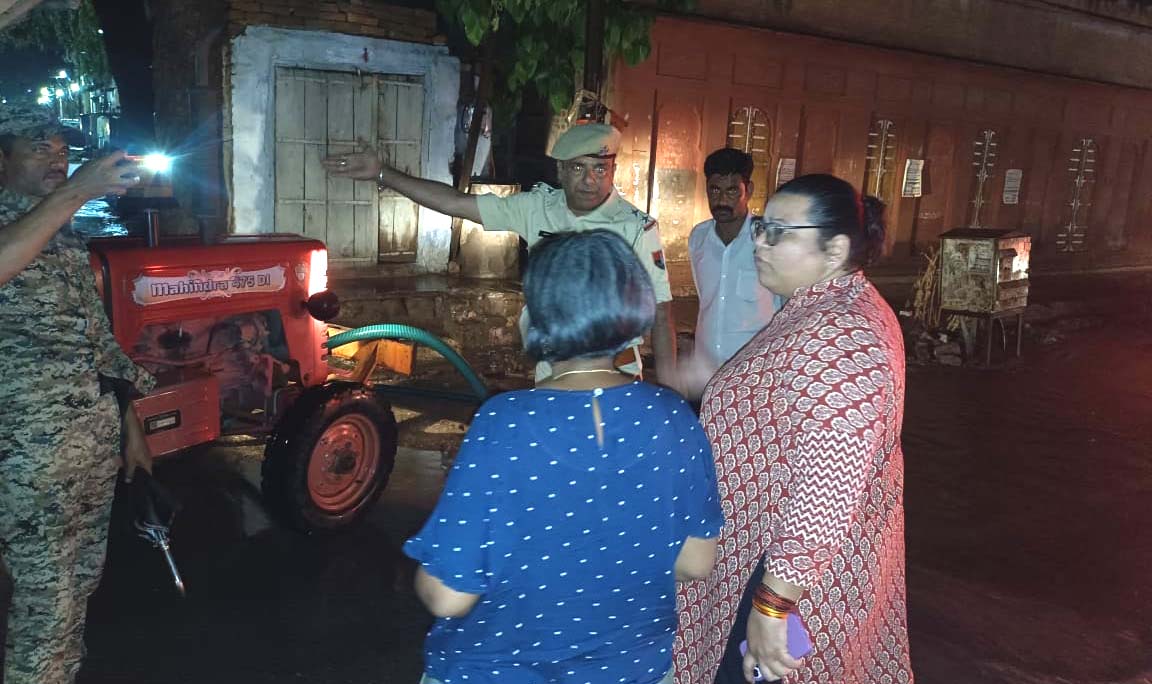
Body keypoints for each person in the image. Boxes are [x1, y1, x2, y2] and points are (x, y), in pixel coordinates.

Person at [404, 229, 725, 684]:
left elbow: (447, 596)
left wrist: (418, 577)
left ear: (537, 314)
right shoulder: (672, 415)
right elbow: (696, 562)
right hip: (633, 671)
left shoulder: (506, 422)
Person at [675, 174, 912, 684]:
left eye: (780, 232)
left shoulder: (844, 335)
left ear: (835, 249)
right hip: (759, 554)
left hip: (784, 579)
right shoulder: (823, 307)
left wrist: (772, 603)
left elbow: (830, 484)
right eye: (762, 226)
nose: (759, 241)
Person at [322, 123, 677, 383]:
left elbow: (661, 313)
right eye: (578, 168)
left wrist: (669, 389)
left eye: (600, 168)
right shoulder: (538, 208)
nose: (590, 180)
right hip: (552, 372)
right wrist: (383, 173)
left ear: (613, 169)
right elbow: (456, 202)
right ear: (560, 170)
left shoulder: (636, 227)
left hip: (616, 375)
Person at [0, 103, 155, 684]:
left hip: (88, 449)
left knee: (79, 583)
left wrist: (130, 429)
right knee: (46, 600)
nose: (57, 155)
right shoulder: (21, 225)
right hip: (28, 458)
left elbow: (99, 344)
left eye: (61, 146)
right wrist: (76, 191)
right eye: (37, 146)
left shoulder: (64, 235)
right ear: (1, 158)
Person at [678, 148, 781, 400]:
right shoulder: (698, 238)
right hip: (704, 378)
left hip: (753, 378)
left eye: (732, 190)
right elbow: (706, 301)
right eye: (715, 190)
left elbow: (787, 308)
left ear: (749, 190)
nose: (722, 200)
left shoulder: (769, 239)